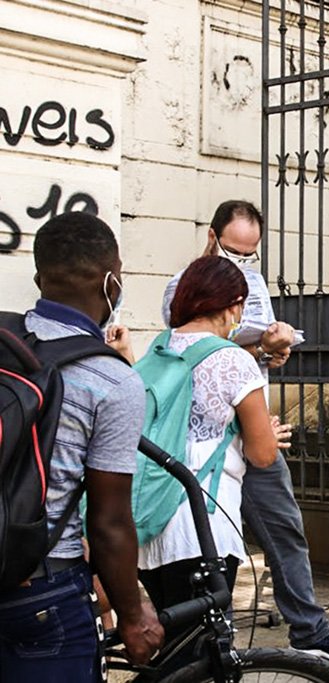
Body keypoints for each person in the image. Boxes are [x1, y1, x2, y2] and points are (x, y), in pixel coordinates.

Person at [162, 201, 329, 661]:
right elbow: (194, 338)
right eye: (235, 250)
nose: (243, 261)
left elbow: (250, 350)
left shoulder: (253, 283)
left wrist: (273, 352)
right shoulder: (185, 284)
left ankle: (309, 629)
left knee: (285, 527)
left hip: (253, 423)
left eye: (251, 253)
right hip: (207, 437)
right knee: (209, 546)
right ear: (212, 236)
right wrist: (259, 342)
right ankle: (211, 648)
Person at [0, 212, 163, 678]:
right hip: (42, 586)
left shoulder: (4, 343)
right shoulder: (111, 379)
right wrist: (133, 618)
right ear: (112, 283)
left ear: (38, 278)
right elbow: (110, 522)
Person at [139, 255, 282, 654]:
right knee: (201, 653)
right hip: (203, 522)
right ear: (235, 304)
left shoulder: (158, 350)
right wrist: (267, 432)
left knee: (171, 647)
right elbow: (263, 454)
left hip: (151, 517)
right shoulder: (234, 360)